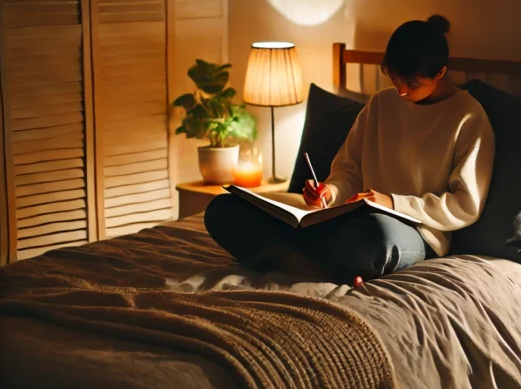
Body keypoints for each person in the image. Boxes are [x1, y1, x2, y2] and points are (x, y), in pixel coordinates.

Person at [204, 15, 495, 283]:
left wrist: (392, 203)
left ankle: (287, 257)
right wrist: (329, 192)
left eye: (412, 84)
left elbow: (465, 205)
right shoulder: (381, 104)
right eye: (395, 80)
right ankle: (318, 268)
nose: (402, 91)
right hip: (346, 220)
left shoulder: (468, 117)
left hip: (409, 232)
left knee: (374, 236)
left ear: (441, 72)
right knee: (224, 209)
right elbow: (349, 170)